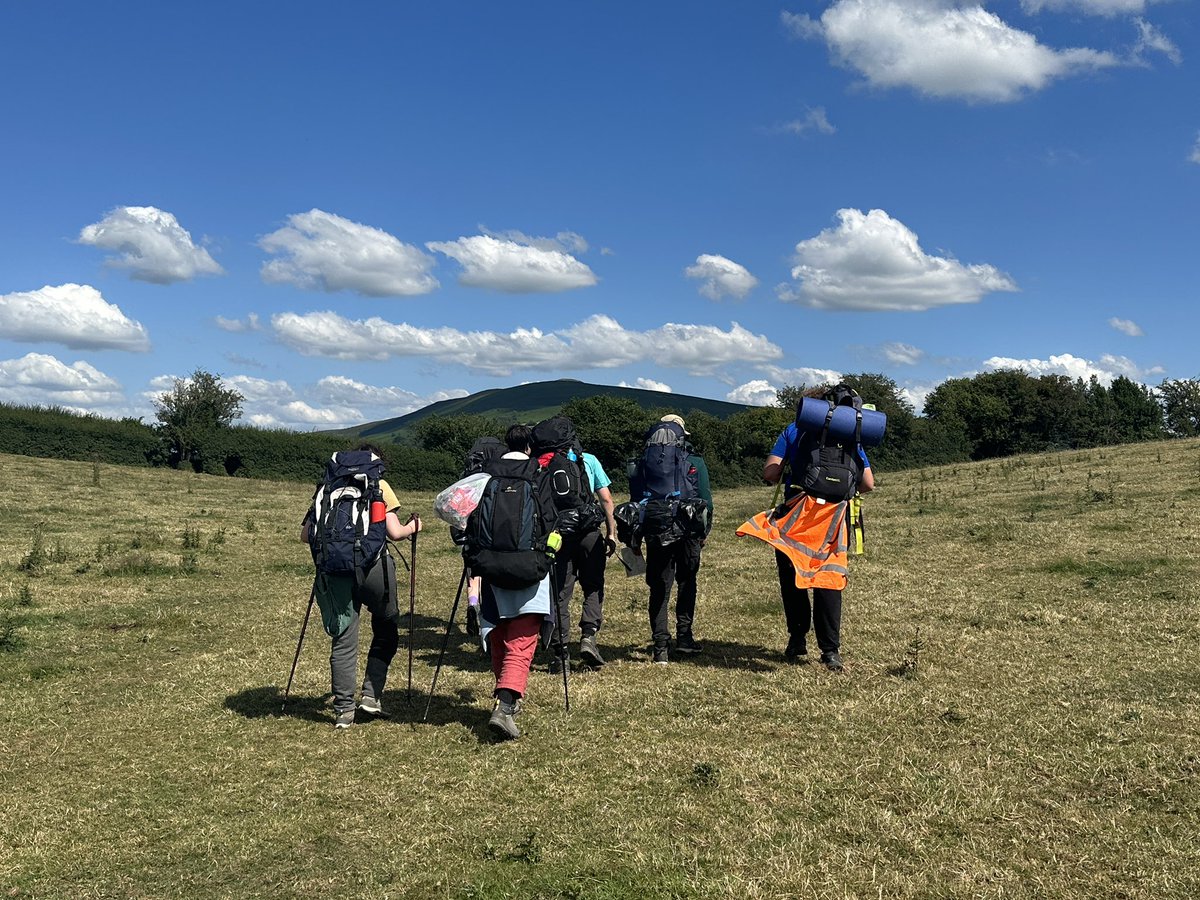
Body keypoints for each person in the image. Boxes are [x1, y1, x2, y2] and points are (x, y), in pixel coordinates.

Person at [300, 444, 422, 728]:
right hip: (374, 568)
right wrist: (415, 526)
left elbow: (306, 535)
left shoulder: (327, 487)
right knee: (386, 627)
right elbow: (394, 532)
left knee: (344, 638)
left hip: (335, 571)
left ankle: (344, 710)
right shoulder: (379, 485)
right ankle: (370, 695)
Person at [761, 391, 875, 671]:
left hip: (797, 515)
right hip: (835, 518)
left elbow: (770, 473)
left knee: (793, 576)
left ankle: (797, 638)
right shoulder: (850, 433)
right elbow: (868, 483)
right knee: (829, 580)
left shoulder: (794, 430)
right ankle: (830, 651)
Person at [476, 424, 553, 741]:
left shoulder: (485, 474)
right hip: (529, 566)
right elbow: (551, 520)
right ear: (529, 447)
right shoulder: (538, 473)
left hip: (490, 565)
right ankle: (506, 705)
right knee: (522, 639)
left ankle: (504, 696)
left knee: (499, 632)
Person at [641, 414, 712, 665]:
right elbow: (706, 500)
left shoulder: (645, 460)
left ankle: (660, 646)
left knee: (660, 586)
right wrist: (704, 531)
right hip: (688, 527)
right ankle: (684, 637)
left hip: (657, 527)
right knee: (687, 581)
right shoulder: (695, 461)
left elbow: (638, 498)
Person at [561, 449, 618, 668]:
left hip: (560, 535)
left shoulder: (547, 461)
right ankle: (588, 635)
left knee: (560, 592)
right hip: (589, 532)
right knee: (593, 586)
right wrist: (611, 533)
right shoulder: (589, 459)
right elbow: (606, 498)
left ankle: (560, 650)